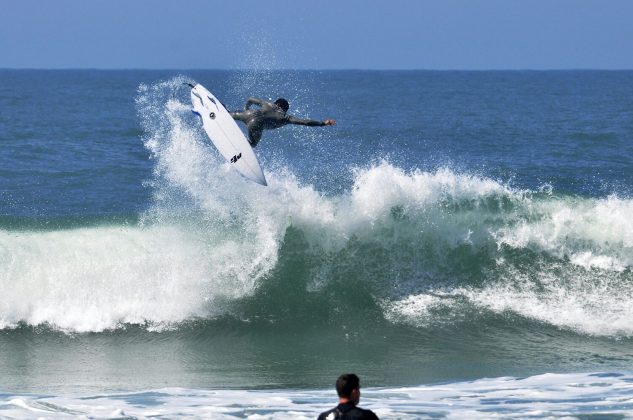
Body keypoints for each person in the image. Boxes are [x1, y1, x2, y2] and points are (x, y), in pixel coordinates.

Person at [229, 97, 336, 147]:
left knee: (229, 115)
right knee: (252, 144)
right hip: (256, 125)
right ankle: (236, 144)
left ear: (276, 103)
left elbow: (251, 99)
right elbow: (305, 122)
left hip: (248, 114)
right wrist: (323, 123)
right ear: (284, 109)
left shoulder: (268, 104)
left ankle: (221, 108)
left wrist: (246, 108)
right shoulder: (286, 117)